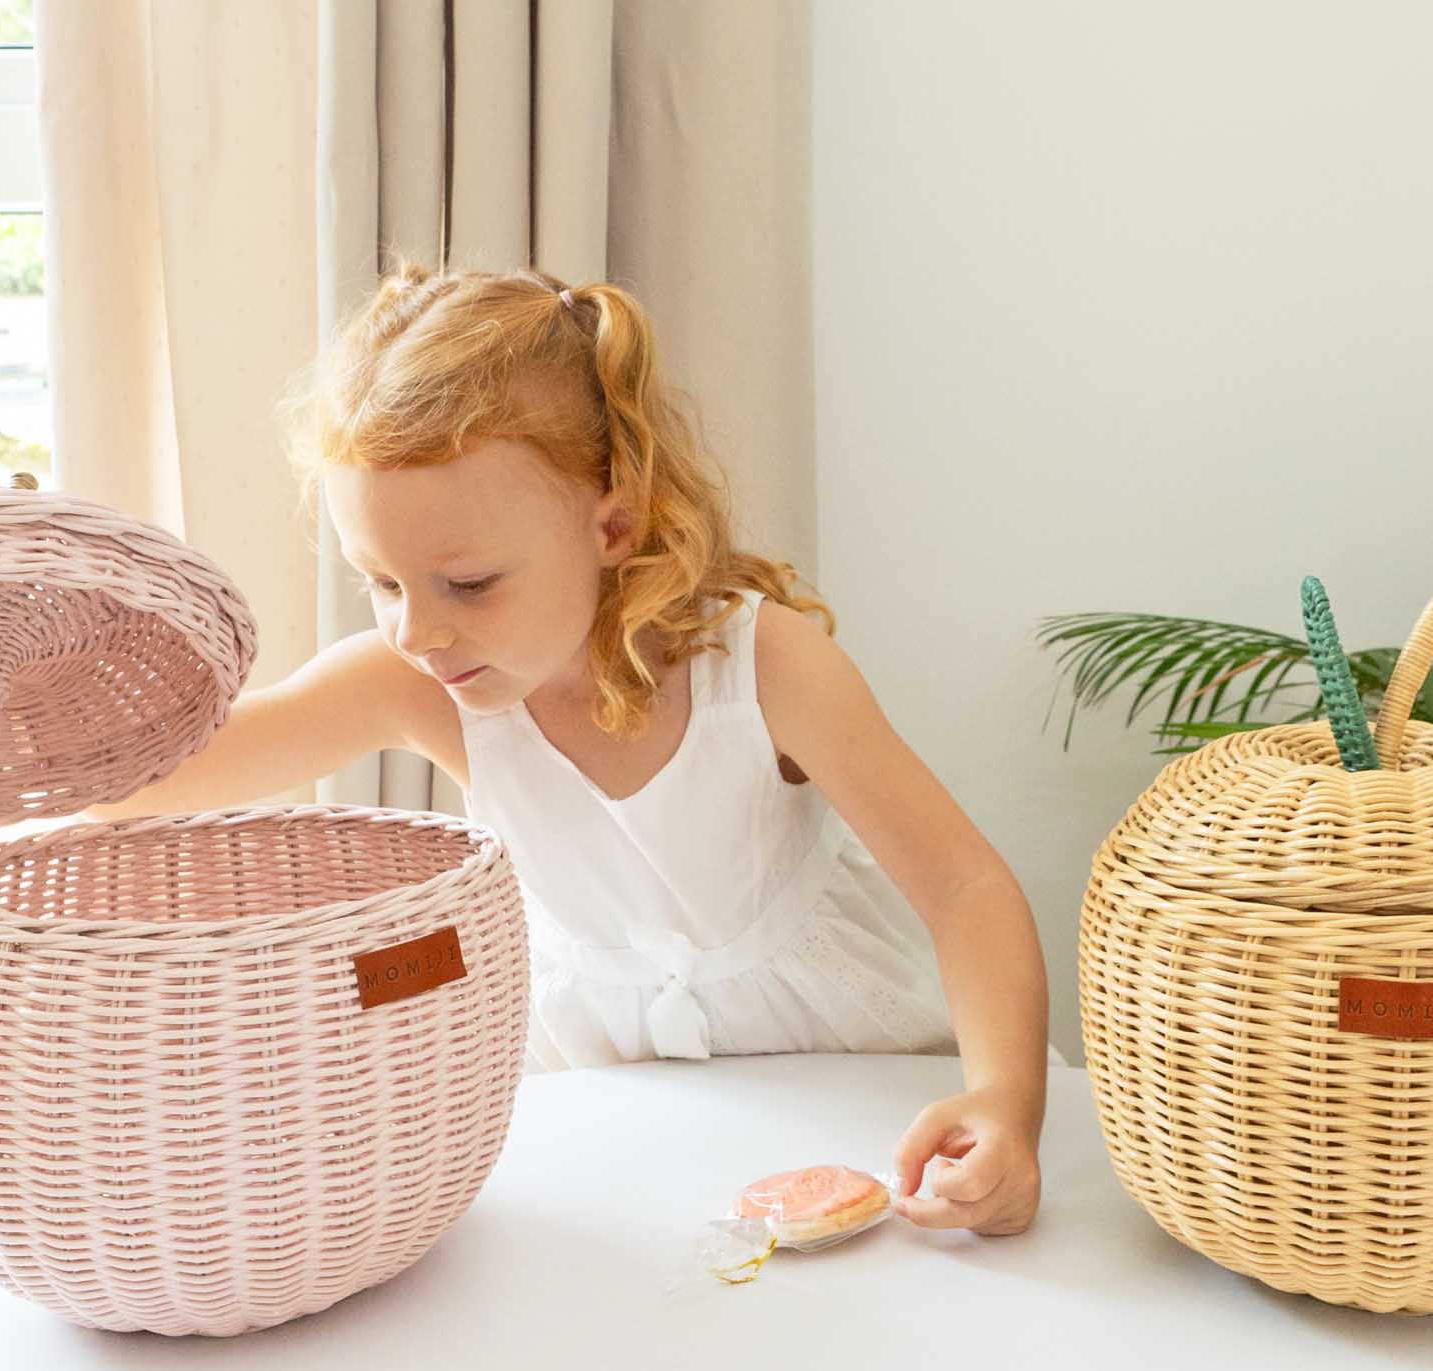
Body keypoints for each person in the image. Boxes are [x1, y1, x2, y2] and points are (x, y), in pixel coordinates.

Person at [85, 262, 1053, 1237]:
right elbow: (148, 781)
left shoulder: (762, 668)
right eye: (380, 581)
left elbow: (963, 888)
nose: (415, 629)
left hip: (843, 1077)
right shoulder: (418, 680)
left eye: (467, 582)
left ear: (613, 521)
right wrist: (15, 673)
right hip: (609, 1111)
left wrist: (1005, 1101)